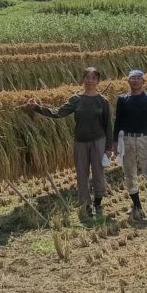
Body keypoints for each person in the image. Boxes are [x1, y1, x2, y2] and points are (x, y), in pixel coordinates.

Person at [25, 67, 111, 218]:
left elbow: (108, 125)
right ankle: (86, 205)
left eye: (93, 78)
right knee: (82, 174)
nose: (90, 80)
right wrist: (37, 108)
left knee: (98, 173)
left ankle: (98, 203)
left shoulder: (103, 101)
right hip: (80, 142)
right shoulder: (76, 99)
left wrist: (109, 147)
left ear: (98, 81)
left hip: (98, 141)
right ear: (83, 79)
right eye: (87, 77)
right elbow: (58, 113)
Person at [111, 69, 147, 223]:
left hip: (143, 139)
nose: (135, 81)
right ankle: (137, 206)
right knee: (129, 174)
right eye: (132, 78)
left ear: (143, 81)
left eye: (138, 78)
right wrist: (115, 143)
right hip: (126, 140)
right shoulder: (122, 99)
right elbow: (117, 121)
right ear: (128, 81)